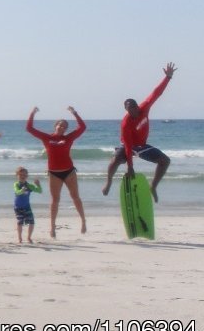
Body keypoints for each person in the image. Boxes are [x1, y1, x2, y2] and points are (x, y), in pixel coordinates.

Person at [102, 62, 177, 203]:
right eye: (128, 111)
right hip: (127, 145)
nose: (131, 113)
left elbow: (157, 93)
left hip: (141, 145)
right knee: (115, 160)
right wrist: (130, 167)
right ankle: (109, 181)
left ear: (137, 106)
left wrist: (167, 77)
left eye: (132, 109)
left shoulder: (145, 107)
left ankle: (153, 186)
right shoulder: (126, 123)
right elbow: (129, 146)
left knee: (165, 161)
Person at [26, 106, 87, 237]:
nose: (62, 127)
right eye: (60, 125)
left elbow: (82, 127)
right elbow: (29, 129)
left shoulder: (69, 138)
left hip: (69, 172)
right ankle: (52, 227)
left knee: (75, 197)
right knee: (55, 200)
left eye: (64, 126)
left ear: (66, 129)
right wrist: (32, 113)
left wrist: (75, 113)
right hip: (54, 173)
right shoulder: (47, 138)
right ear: (55, 126)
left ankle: (83, 221)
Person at [13, 166, 42, 244]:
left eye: (25, 175)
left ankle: (29, 237)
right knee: (20, 222)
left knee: (32, 222)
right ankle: (20, 238)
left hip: (27, 207)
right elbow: (17, 192)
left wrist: (38, 185)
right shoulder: (16, 184)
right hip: (18, 207)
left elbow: (39, 191)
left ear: (27, 176)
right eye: (21, 175)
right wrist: (21, 190)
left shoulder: (29, 186)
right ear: (17, 175)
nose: (23, 176)